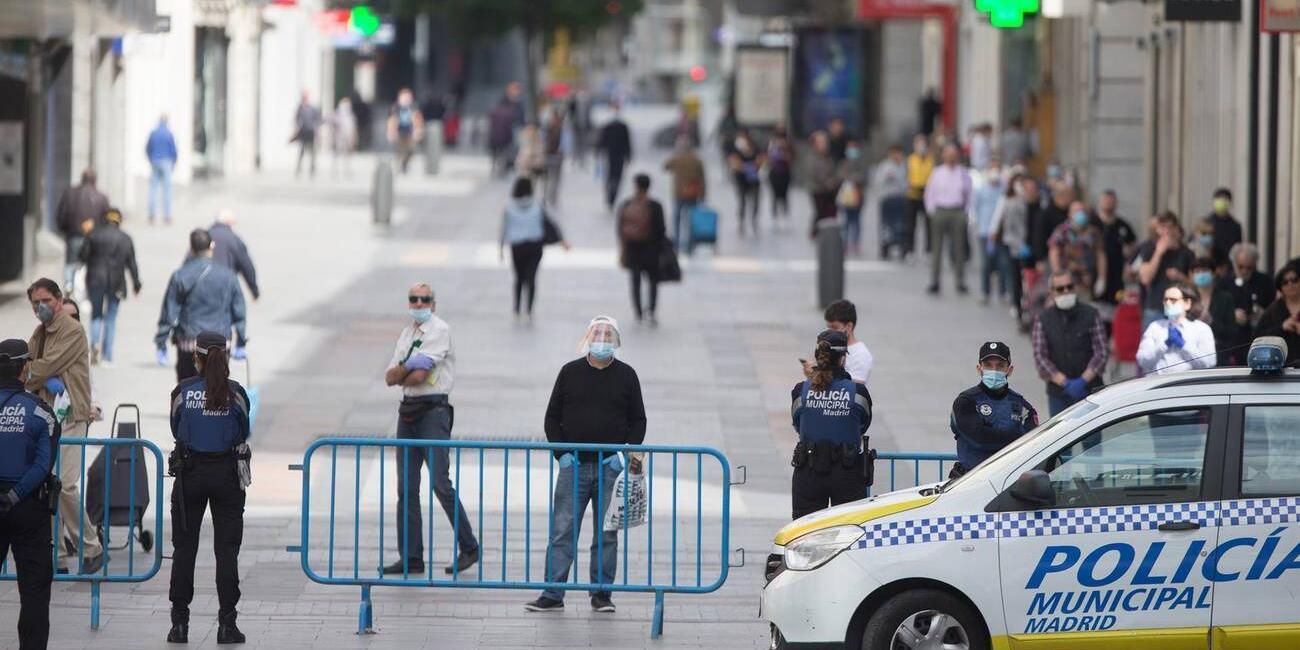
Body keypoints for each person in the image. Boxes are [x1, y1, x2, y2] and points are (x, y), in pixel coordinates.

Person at [525, 316, 646, 613]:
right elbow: (552, 417)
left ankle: (601, 594)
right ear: (587, 338)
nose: (602, 339)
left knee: (606, 533)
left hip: (610, 467)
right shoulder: (570, 372)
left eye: (608, 334)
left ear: (616, 341)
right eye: (597, 333)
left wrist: (623, 454)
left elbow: (638, 420)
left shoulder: (627, 375)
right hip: (574, 466)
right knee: (563, 530)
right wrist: (561, 454)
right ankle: (553, 593)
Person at [382, 283, 479, 576]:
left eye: (425, 299)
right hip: (408, 412)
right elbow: (390, 377)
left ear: (434, 304)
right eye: (414, 298)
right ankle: (411, 557)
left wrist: (404, 371)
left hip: (433, 411)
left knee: (440, 482)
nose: (419, 303)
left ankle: (469, 546)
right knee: (406, 488)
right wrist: (405, 371)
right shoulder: (407, 333)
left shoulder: (439, 330)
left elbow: (420, 374)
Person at [166, 331, 250, 645]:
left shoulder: (182, 392)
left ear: (196, 358)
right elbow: (244, 428)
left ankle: (179, 625)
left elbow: (176, 427)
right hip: (227, 476)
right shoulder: (237, 393)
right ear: (225, 357)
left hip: (190, 475)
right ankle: (227, 624)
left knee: (184, 550)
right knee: (226, 552)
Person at [24, 278, 103, 576]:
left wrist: (34, 374)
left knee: (65, 484)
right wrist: (33, 373)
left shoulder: (72, 330)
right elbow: (28, 364)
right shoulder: (40, 332)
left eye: (44, 300)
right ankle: (56, 555)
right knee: (49, 485)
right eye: (35, 303)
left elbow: (39, 368)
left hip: (70, 415)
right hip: (46, 416)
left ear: (58, 298)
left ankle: (92, 547)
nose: (40, 307)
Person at [0, 339, 58, 650]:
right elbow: (43, 465)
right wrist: (15, 495)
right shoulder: (41, 411)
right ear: (25, 369)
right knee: (34, 590)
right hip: (27, 508)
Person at [789, 330, 873, 520]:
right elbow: (863, 424)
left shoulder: (800, 391)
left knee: (805, 532)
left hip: (808, 472)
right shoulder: (858, 393)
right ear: (843, 359)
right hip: (847, 472)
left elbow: (797, 423)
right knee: (848, 532)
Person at [155, 229, 248, 382]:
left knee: (187, 390)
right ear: (212, 246)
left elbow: (169, 312)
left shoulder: (180, 275)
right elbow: (239, 310)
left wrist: (161, 341)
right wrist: (241, 341)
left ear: (191, 249)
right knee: (217, 390)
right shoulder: (228, 275)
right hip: (219, 343)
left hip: (189, 343)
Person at [948, 341, 1037, 477]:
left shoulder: (1023, 407)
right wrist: (1016, 436)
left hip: (1009, 483)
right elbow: (980, 440)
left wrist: (994, 433)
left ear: (1009, 370)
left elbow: (1031, 443)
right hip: (970, 481)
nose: (994, 371)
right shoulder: (965, 401)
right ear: (979, 368)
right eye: (988, 365)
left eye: (1000, 366)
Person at [1032, 270, 1109, 415]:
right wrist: (1065, 382)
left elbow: (1102, 351)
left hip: (1091, 390)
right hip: (1058, 394)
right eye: (1060, 289)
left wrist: (1083, 380)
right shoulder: (1042, 319)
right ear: (1052, 292)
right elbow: (1040, 357)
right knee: (1060, 436)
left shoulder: (1092, 314)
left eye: (1070, 287)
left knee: (1092, 437)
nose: (1066, 291)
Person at [79, 207, 141, 366]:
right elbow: (132, 264)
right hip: (117, 283)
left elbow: (82, 256)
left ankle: (94, 345)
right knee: (111, 318)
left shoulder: (94, 234)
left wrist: (86, 235)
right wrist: (136, 283)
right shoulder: (125, 238)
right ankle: (107, 355)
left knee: (96, 314)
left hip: (95, 280)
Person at [500, 178, 567, 319]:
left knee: (518, 277)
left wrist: (500, 248)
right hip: (535, 245)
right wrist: (562, 241)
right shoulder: (537, 205)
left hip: (516, 246)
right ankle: (529, 309)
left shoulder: (509, 206)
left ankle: (517, 308)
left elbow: (504, 229)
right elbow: (550, 223)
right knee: (532, 277)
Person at [617, 175, 668, 324]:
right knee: (652, 281)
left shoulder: (626, 204)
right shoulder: (655, 206)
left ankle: (638, 311)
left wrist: (623, 247)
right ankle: (651, 311)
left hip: (633, 249)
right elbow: (661, 229)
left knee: (635, 280)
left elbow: (619, 228)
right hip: (651, 249)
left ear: (636, 186)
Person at [1136, 282, 1217, 376]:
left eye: (1173, 300)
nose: (1167, 303)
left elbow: (1210, 362)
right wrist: (1163, 346)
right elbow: (1142, 361)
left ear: (1187, 303)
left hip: (1189, 386)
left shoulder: (1201, 329)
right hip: (1158, 385)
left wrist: (1184, 346)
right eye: (1165, 299)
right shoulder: (1155, 327)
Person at [923, 143, 972, 295]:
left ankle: (960, 281)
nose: (951, 157)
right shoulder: (937, 172)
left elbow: (969, 195)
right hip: (940, 211)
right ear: (943, 155)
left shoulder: (963, 173)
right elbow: (929, 193)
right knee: (936, 249)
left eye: (953, 154)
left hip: (957, 211)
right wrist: (932, 211)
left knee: (959, 249)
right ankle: (935, 281)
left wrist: (967, 213)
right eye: (948, 153)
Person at [55, 168, 109, 297]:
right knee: (88, 263)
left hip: (73, 234)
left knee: (70, 262)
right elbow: (106, 219)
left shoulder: (70, 193)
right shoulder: (101, 197)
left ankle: (69, 285)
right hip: (93, 236)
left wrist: (64, 230)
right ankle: (84, 289)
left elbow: (60, 214)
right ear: (95, 180)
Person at [1137, 212, 1194, 330]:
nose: (1167, 231)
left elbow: (1194, 285)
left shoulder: (1186, 253)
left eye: (1170, 227)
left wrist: (1180, 277)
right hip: (1155, 307)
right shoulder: (1149, 249)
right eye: (1163, 227)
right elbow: (1145, 279)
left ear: (1176, 229)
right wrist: (1158, 253)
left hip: (1179, 310)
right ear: (1157, 230)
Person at [990, 174, 1031, 327]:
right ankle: (1016, 302)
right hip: (1012, 243)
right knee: (1013, 274)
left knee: (1027, 277)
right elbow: (999, 218)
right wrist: (992, 233)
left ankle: (1025, 304)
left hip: (1027, 245)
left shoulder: (1027, 201)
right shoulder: (1007, 200)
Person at [1047, 200, 1106, 300]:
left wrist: (1102, 278)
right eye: (1076, 211)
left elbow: (1100, 255)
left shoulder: (1093, 232)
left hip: (1086, 282)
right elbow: (1054, 252)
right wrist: (1056, 275)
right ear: (1069, 214)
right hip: (1066, 282)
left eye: (1082, 211)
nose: (1080, 214)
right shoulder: (1062, 231)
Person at [1190, 257, 1241, 366]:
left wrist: (1211, 321)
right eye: (1197, 272)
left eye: (1205, 271)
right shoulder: (1188, 299)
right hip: (1192, 354)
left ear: (1213, 274)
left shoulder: (1225, 298)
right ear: (1192, 275)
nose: (1201, 274)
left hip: (1219, 354)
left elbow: (1232, 332)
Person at [662, 136, 706, 250]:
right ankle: (690, 244)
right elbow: (702, 179)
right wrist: (703, 194)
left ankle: (676, 242)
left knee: (677, 218)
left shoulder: (677, 159)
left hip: (678, 193)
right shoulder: (697, 160)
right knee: (691, 219)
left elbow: (665, 166)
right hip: (693, 193)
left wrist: (675, 154)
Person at [1093, 190, 1136, 305]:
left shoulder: (1123, 226)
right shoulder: (1092, 223)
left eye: (1111, 201)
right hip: (1094, 273)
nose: (1108, 204)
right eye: (1106, 201)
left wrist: (1129, 262)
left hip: (1117, 275)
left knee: (1116, 303)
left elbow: (1132, 245)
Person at [970, 160, 1004, 303]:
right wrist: (975, 224)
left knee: (1002, 264)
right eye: (992, 170)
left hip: (1000, 233)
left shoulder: (1004, 190)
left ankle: (1003, 293)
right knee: (986, 264)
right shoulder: (981, 190)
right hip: (984, 232)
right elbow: (974, 209)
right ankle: (985, 292)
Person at [817, 300, 873, 385]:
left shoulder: (861, 354)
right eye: (829, 327)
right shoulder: (829, 345)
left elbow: (855, 389)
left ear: (849, 326)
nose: (830, 332)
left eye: (834, 327)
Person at [209, 210, 260, 301]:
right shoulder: (233, 239)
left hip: (203, 284)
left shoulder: (203, 236)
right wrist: (254, 290)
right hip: (225, 284)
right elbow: (246, 266)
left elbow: (189, 263)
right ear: (229, 223)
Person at [1255, 263, 1300, 367]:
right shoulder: (1273, 310)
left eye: (1295, 280)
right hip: (1281, 369)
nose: (1290, 284)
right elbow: (1258, 336)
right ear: (1280, 287)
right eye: (1285, 282)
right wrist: (1282, 328)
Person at [596, 102, 633, 211]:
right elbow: (602, 141)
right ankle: (610, 197)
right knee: (610, 177)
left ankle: (611, 198)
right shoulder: (609, 125)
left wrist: (628, 155)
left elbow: (627, 142)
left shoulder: (622, 126)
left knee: (616, 177)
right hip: (610, 155)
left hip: (618, 155)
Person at [874, 145, 908, 260]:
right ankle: (885, 246)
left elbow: (907, 182)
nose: (896, 156)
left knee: (901, 224)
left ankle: (901, 246)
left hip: (900, 198)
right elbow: (877, 181)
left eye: (898, 153)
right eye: (894, 153)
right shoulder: (884, 166)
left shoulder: (904, 166)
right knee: (886, 224)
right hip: (887, 198)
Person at [836, 139, 869, 256]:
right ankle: (845, 244)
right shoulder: (843, 163)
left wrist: (852, 178)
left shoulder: (862, 163)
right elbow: (840, 175)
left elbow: (864, 177)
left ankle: (856, 243)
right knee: (845, 222)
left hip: (858, 196)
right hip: (846, 198)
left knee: (856, 221)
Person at [904, 134, 934, 258]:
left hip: (927, 195)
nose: (921, 147)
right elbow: (905, 176)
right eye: (918, 144)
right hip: (912, 194)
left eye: (923, 144)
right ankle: (910, 249)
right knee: (911, 224)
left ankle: (929, 250)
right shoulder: (910, 160)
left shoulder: (931, 160)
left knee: (929, 225)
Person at [728, 130, 762, 236]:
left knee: (755, 200)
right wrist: (744, 166)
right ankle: (742, 222)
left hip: (754, 179)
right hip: (741, 179)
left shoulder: (755, 148)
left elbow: (761, 160)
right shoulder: (735, 149)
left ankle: (754, 220)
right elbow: (732, 162)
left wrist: (754, 165)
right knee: (742, 201)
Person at [807, 131, 839, 238]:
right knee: (820, 212)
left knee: (830, 212)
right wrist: (826, 182)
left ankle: (828, 233)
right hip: (818, 189)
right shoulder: (811, 157)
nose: (824, 144)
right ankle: (816, 232)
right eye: (820, 142)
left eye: (825, 141)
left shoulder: (829, 156)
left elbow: (833, 170)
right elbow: (813, 173)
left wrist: (834, 180)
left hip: (830, 190)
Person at [146, 115, 178, 225]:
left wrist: (151, 159)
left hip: (155, 161)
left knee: (153, 189)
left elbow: (148, 148)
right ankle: (167, 216)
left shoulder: (153, 133)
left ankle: (152, 215)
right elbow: (174, 150)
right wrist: (174, 162)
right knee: (167, 190)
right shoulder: (169, 134)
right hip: (166, 162)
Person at [386, 88, 424, 175]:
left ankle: (404, 164)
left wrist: (418, 130)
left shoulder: (414, 108)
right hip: (399, 132)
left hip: (410, 132)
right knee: (399, 150)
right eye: (404, 98)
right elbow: (391, 120)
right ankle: (399, 165)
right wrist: (390, 132)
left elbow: (418, 120)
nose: (406, 100)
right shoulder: (395, 108)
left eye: (408, 98)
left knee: (411, 150)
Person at [1204, 188, 1242, 268]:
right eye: (1219, 199)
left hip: (1228, 266)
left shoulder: (1235, 226)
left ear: (1230, 202)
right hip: (1209, 265)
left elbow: (1237, 248)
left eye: (1224, 199)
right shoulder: (1206, 223)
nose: (1221, 202)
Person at [766, 124, 794, 224]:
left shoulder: (789, 144)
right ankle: (775, 212)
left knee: (784, 192)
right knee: (774, 193)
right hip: (774, 171)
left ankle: (784, 210)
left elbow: (792, 158)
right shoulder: (772, 143)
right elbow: (768, 157)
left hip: (785, 171)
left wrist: (785, 152)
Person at [292, 91, 321, 178]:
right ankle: (299, 169)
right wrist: (296, 130)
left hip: (311, 131)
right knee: (301, 151)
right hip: (303, 131)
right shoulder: (300, 108)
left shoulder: (312, 108)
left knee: (312, 152)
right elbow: (296, 120)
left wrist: (317, 130)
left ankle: (312, 169)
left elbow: (317, 119)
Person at [542, 110, 566, 206]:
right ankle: (547, 196)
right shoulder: (547, 129)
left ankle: (552, 197)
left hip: (556, 157)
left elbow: (565, 145)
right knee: (548, 178)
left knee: (555, 178)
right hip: (549, 156)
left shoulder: (561, 130)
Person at [329, 96, 358, 176]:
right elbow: (332, 122)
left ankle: (347, 170)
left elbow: (353, 127)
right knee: (337, 153)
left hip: (347, 136)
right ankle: (335, 170)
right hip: (339, 136)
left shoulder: (350, 115)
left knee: (347, 154)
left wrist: (353, 137)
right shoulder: (337, 113)